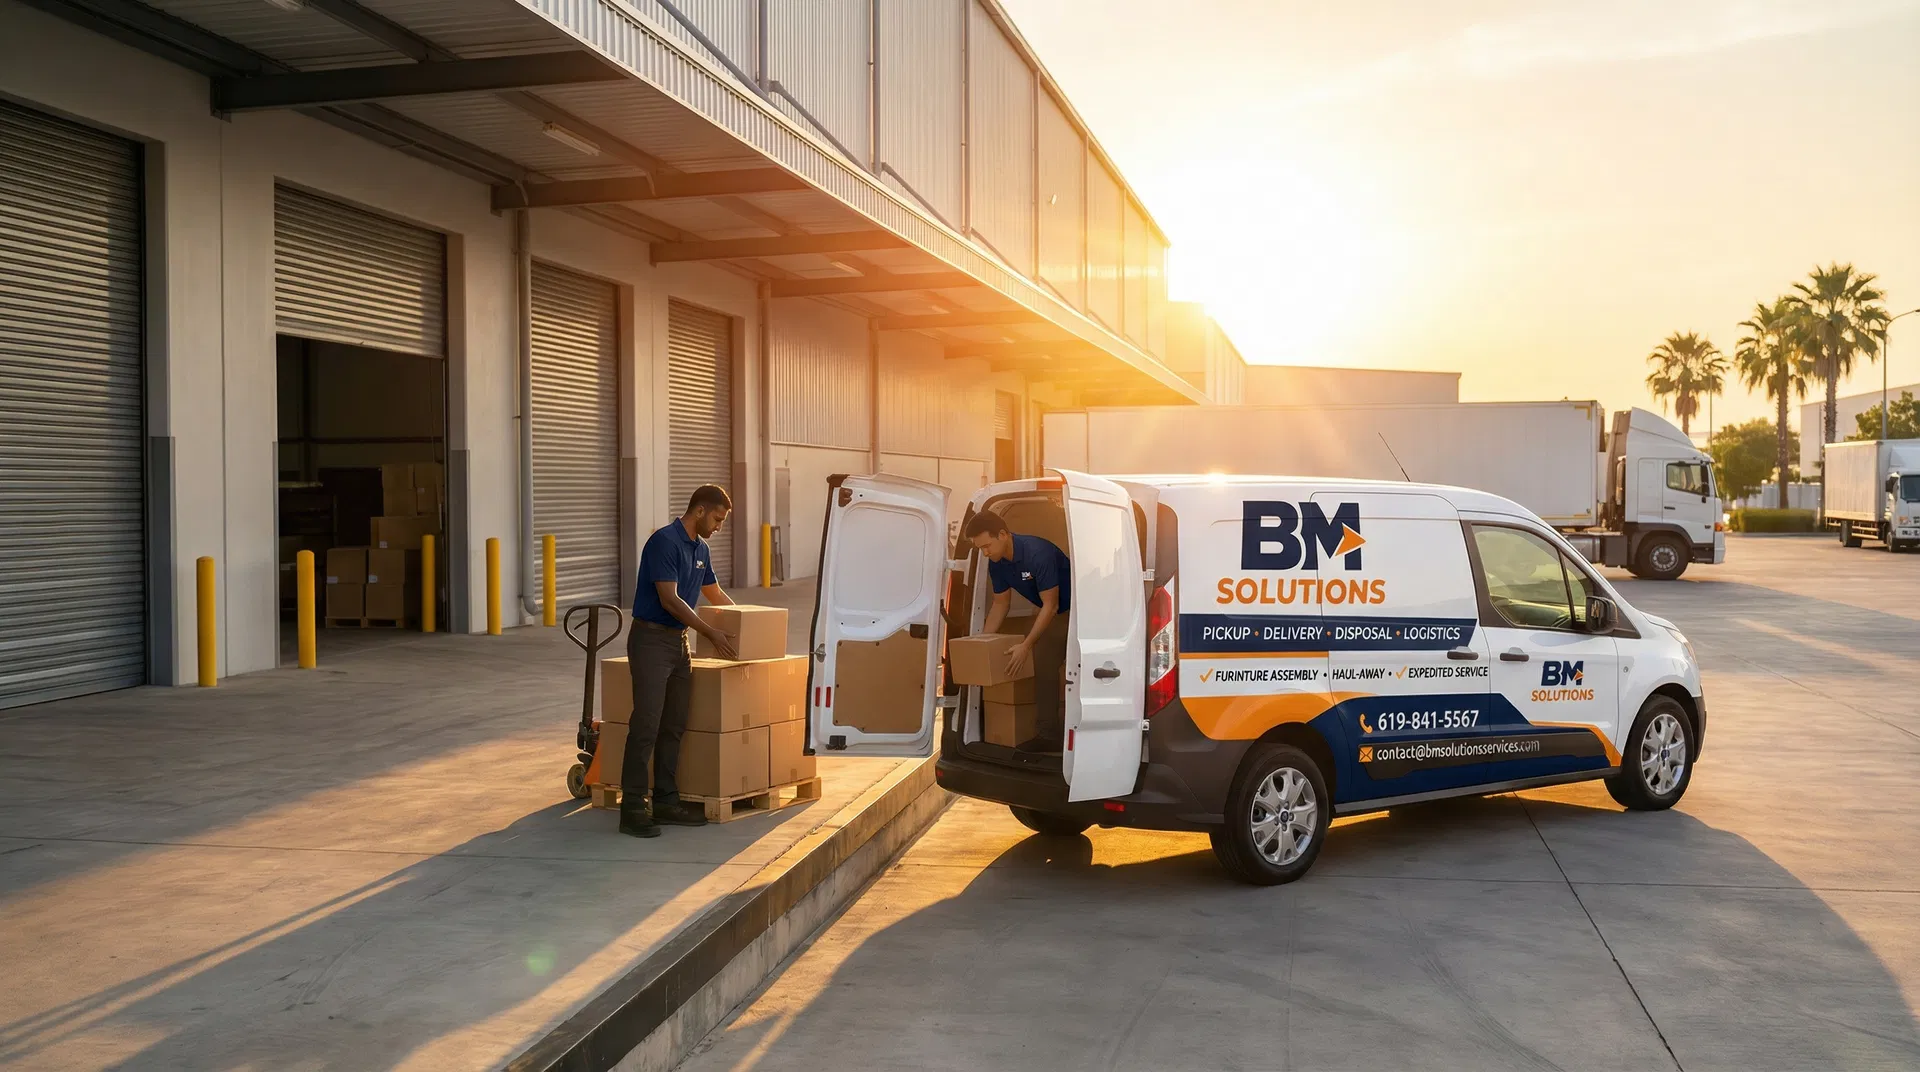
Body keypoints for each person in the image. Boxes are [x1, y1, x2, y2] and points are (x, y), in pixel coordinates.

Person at [619, 484, 739, 838]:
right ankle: (632, 807)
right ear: (699, 510)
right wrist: (711, 633)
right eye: (717, 519)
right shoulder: (664, 542)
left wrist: (747, 623)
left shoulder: (701, 549)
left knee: (674, 725)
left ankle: (666, 800)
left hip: (679, 643)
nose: (718, 526)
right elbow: (669, 599)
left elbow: (714, 593)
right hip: (651, 641)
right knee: (647, 724)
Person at [966, 510, 1071, 750]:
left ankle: (1066, 730)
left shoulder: (1037, 553)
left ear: (1003, 534)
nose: (985, 552)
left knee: (1042, 654)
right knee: (1041, 661)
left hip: (1078, 610)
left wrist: (1027, 645)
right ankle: (1047, 735)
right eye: (980, 549)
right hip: (1051, 611)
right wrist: (979, 642)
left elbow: (1051, 605)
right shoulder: (997, 562)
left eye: (987, 546)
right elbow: (1001, 604)